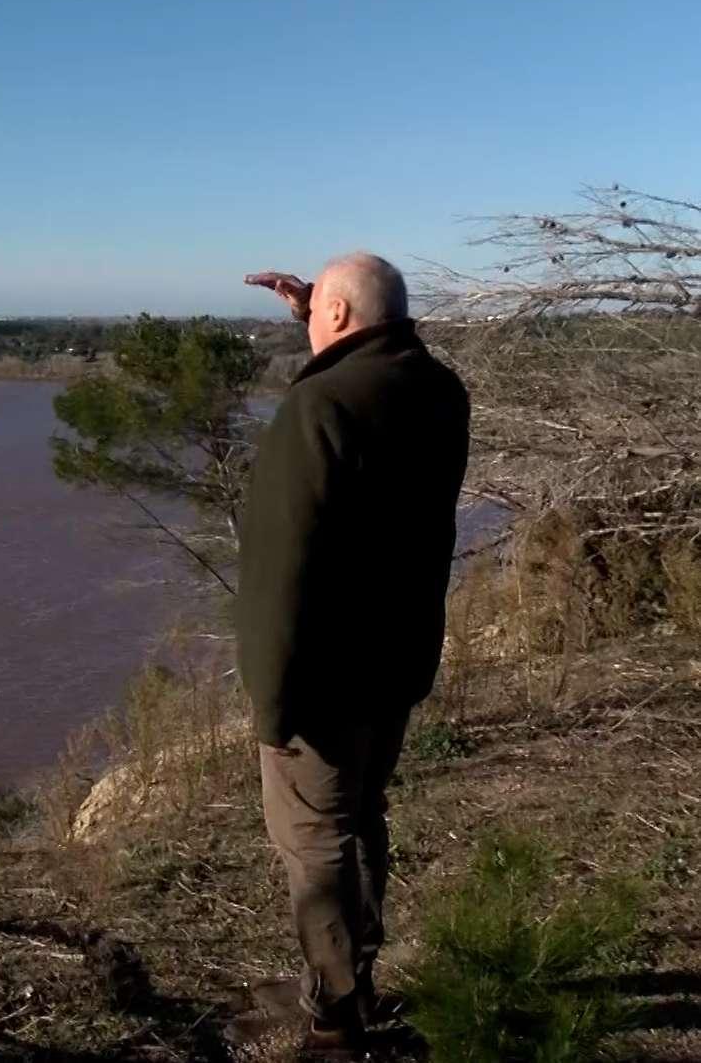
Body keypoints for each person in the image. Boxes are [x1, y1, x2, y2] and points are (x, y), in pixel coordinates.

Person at [237, 254, 471, 1052]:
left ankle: (335, 1018)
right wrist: (321, 315)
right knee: (361, 817)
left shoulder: (320, 408)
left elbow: (282, 569)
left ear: (336, 320)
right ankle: (348, 978)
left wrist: (271, 700)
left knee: (315, 840)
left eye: (319, 314)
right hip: (395, 659)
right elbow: (377, 366)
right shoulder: (438, 390)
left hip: (324, 677)